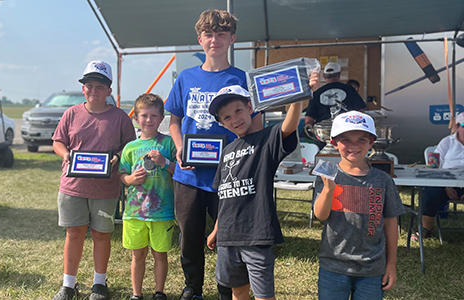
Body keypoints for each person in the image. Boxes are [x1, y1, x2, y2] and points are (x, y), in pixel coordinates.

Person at [164, 9, 262, 300]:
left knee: (228, 239)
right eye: (209, 34)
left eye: (221, 34)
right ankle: (192, 287)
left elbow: (255, 127)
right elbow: (174, 120)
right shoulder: (186, 78)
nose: (214, 39)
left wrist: (246, 159)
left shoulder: (243, 79)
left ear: (232, 38)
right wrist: (180, 147)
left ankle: (226, 289)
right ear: (200, 39)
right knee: (190, 237)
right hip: (190, 175)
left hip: (230, 176)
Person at [206, 80, 318, 300]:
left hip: (256, 235)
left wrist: (296, 101)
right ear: (221, 122)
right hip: (228, 237)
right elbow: (224, 196)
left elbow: (288, 126)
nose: (234, 119)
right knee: (238, 291)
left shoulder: (267, 139)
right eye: (226, 117)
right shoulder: (226, 150)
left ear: (250, 108)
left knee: (263, 295)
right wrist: (217, 230)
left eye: (238, 111)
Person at [51, 61, 136, 300]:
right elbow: (58, 141)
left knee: (101, 234)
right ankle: (69, 284)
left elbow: (129, 146)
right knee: (74, 232)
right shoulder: (71, 113)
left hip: (105, 187)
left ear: (109, 91)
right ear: (83, 89)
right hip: (73, 186)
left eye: (99, 86)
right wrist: (66, 154)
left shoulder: (119, 117)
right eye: (89, 85)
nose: (93, 90)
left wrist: (118, 157)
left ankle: (99, 283)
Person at [313, 111, 405, 300]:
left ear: (371, 143)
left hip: (372, 268)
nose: (353, 146)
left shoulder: (383, 180)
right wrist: (329, 189)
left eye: (361, 139)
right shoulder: (327, 175)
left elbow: (390, 223)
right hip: (333, 266)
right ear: (334, 143)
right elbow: (320, 215)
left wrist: (391, 264)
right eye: (345, 139)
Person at [119, 94, 177, 300]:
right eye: (144, 115)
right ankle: (137, 294)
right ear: (135, 118)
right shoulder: (130, 148)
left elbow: (179, 172)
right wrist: (130, 179)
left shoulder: (168, 143)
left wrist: (164, 162)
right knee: (137, 255)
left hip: (162, 212)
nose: (149, 120)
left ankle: (159, 292)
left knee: (160, 254)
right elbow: (122, 175)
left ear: (162, 118)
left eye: (154, 115)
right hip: (134, 212)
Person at [413, 112, 464, 240]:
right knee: (429, 194)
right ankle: (426, 229)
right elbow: (434, 168)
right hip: (446, 183)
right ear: (457, 126)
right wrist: (446, 185)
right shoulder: (447, 142)